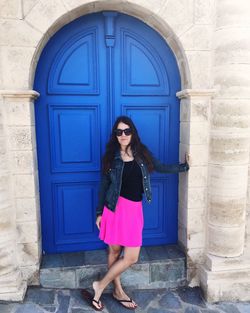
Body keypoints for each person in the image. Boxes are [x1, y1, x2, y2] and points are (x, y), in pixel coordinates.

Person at [82, 115, 190, 311]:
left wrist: (184, 166)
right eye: (119, 132)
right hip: (113, 209)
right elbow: (104, 186)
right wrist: (99, 212)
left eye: (126, 131)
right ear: (115, 135)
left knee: (131, 256)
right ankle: (118, 290)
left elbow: (161, 167)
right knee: (114, 251)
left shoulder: (142, 153)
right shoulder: (110, 158)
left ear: (132, 133)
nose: (123, 135)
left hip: (133, 210)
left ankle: (99, 285)